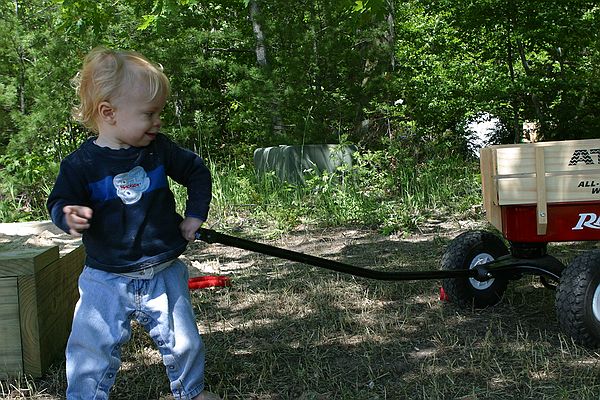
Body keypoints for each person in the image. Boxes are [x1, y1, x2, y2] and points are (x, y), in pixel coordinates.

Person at [47, 47, 221, 400]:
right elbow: (59, 201)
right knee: (89, 347)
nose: (158, 121)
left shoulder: (159, 150)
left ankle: (192, 392)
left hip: (163, 271)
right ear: (108, 113)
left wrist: (194, 216)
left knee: (184, 342)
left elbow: (197, 172)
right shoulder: (81, 165)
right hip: (105, 276)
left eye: (159, 112)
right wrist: (67, 215)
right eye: (149, 113)